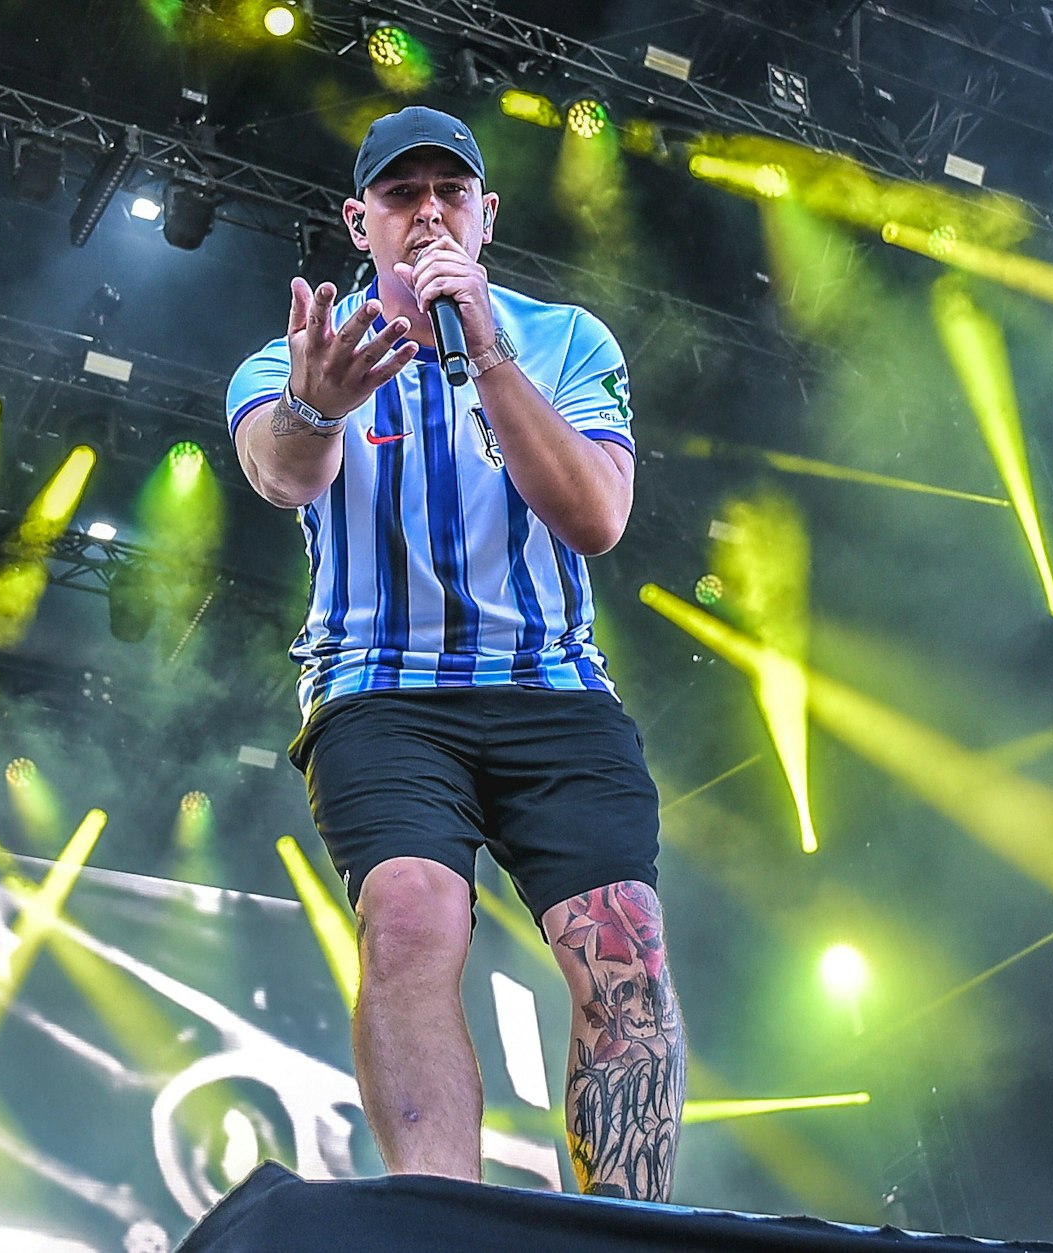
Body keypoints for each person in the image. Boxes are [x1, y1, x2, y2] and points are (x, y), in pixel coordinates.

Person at [224, 105, 685, 1202]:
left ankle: (623, 1227)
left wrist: (482, 347)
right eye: (398, 193)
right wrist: (311, 403)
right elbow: (279, 475)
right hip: (379, 690)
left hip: (549, 684)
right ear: (358, 220)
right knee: (413, 911)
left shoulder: (567, 338)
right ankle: (440, 1218)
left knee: (620, 946)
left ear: (485, 216)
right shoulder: (293, 352)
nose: (425, 210)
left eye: (448, 191)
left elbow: (595, 519)